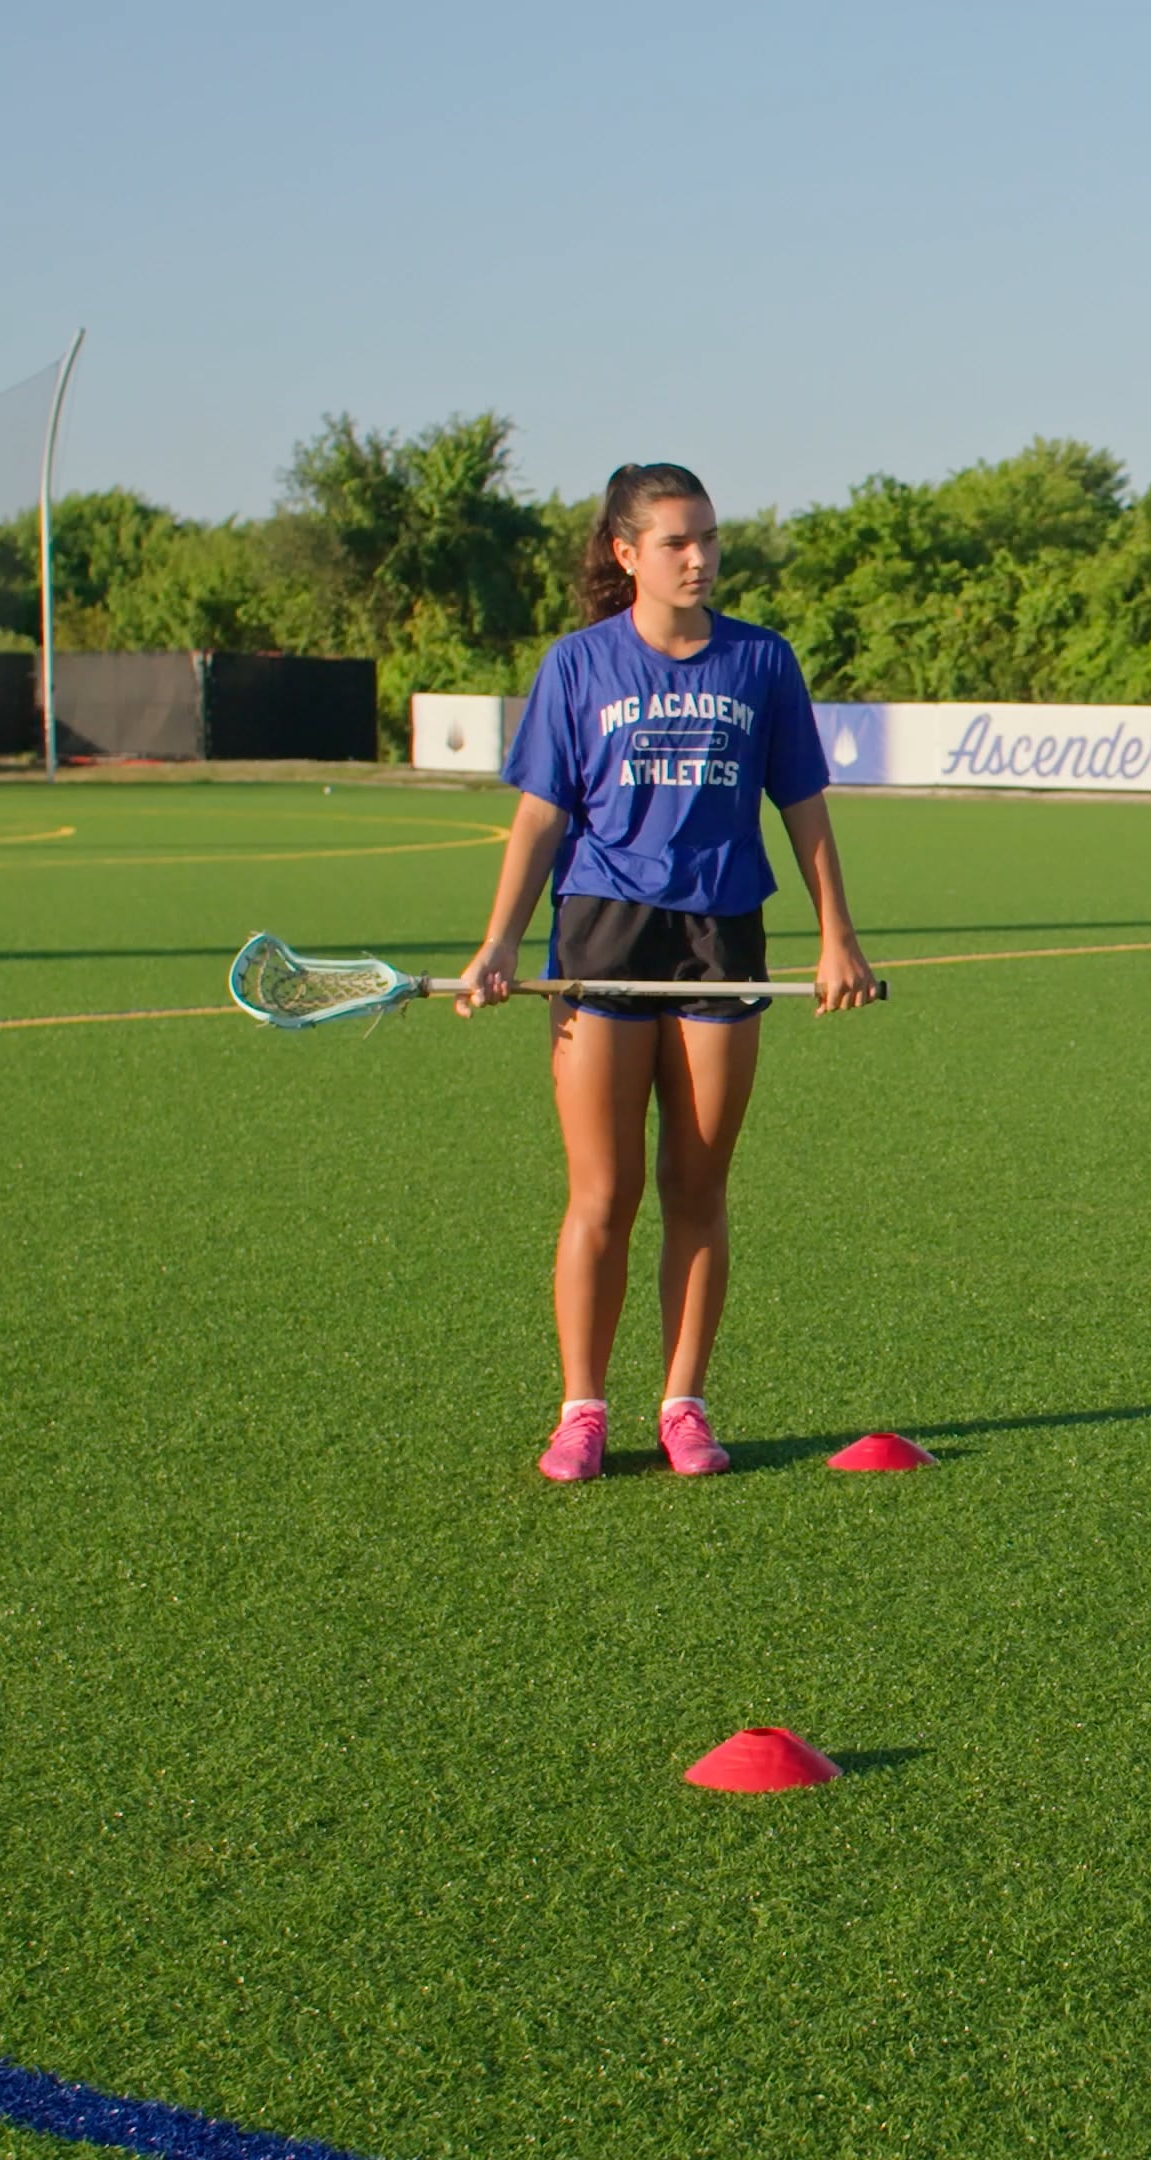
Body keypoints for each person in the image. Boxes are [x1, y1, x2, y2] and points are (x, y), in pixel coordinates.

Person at [455, 462, 878, 1482]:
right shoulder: (577, 665)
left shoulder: (762, 662)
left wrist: (837, 937)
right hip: (604, 927)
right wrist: (501, 939)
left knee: (698, 1184)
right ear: (626, 553)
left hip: (722, 929)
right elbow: (542, 814)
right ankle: (582, 1411)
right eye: (677, 542)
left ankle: (684, 1405)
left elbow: (804, 807)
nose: (699, 558)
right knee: (603, 1193)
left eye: (709, 539)